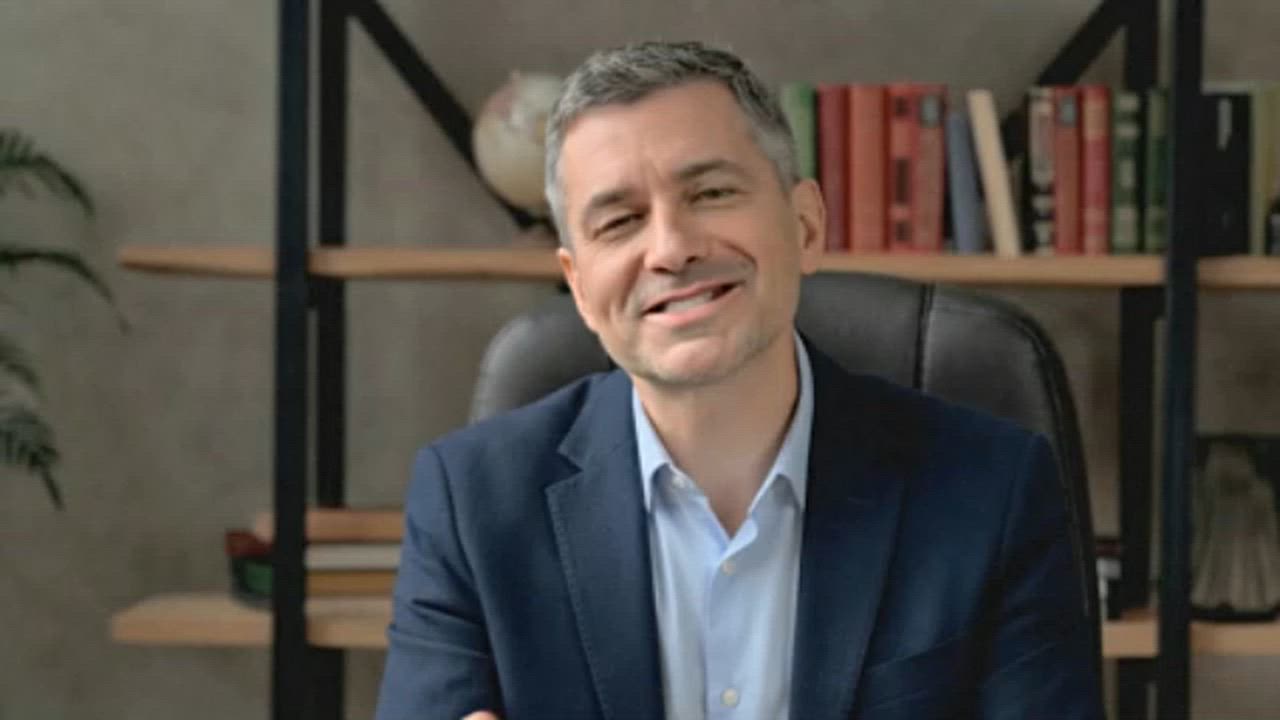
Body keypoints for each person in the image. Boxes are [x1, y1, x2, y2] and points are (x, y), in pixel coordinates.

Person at [375, 41, 1103, 720]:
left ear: (806, 225)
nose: (671, 248)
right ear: (580, 288)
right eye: (620, 221)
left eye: (712, 193)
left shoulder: (993, 492)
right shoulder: (470, 504)